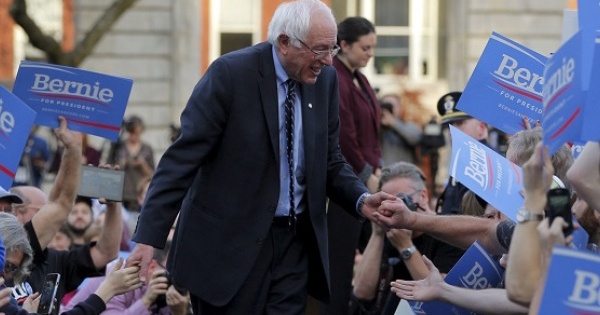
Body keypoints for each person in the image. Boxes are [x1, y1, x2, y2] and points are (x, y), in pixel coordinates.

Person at [127, 1, 395, 314]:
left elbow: (330, 159)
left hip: (293, 244)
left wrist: (362, 199)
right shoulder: (230, 73)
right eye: (320, 49)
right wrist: (148, 238)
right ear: (284, 42)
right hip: (228, 248)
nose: (327, 60)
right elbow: (181, 161)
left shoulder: (326, 80)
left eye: (332, 48)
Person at [328, 16, 382, 314]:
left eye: (373, 47)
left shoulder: (358, 78)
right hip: (350, 185)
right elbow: (345, 136)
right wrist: (367, 175)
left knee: (378, 249)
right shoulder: (336, 77)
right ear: (344, 45)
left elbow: (371, 132)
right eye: (365, 47)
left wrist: (379, 168)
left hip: (369, 177)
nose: (370, 53)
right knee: (341, 261)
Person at [435, 91, 489, 215]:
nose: (451, 132)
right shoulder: (463, 160)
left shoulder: (484, 164)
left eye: (460, 124)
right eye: (449, 126)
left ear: (481, 128)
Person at [109, 115, 155, 212]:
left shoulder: (147, 148)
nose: (134, 135)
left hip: (140, 194)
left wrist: (142, 164)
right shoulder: (119, 146)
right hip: (122, 192)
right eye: (132, 132)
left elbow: (152, 174)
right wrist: (123, 163)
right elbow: (111, 169)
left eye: (137, 133)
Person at [379, 93, 422, 166]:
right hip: (383, 174)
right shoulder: (376, 128)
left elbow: (414, 138)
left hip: (404, 174)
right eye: (386, 105)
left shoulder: (409, 126)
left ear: (399, 108)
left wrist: (392, 122)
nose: (389, 109)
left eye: (392, 106)